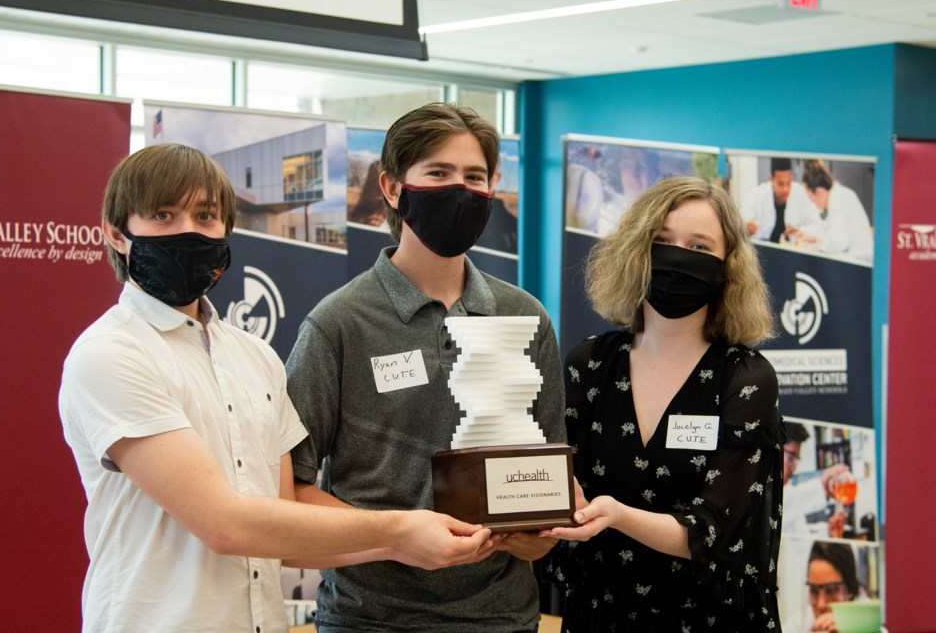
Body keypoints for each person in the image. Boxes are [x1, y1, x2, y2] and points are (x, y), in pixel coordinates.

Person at [58, 143, 495, 633]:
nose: (188, 230)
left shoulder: (255, 356)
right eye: (163, 215)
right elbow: (224, 524)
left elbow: (287, 531)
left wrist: (429, 542)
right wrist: (400, 531)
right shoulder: (112, 354)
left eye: (205, 216)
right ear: (117, 234)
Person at [285, 103, 566, 632]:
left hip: (502, 619)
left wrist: (536, 530)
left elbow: (546, 491)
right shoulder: (338, 323)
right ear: (392, 188)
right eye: (438, 173)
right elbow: (291, 491)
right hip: (371, 621)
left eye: (474, 176)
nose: (459, 189)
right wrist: (397, 534)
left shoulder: (526, 317)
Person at [541, 176, 785, 630]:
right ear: (635, 249)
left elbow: (711, 533)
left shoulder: (747, 379)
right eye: (662, 241)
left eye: (699, 246)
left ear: (728, 266)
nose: (678, 256)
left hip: (707, 619)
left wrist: (615, 514)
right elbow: (557, 483)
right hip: (601, 611)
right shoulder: (590, 363)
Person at [799, 160, 874, 263]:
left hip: (859, 260)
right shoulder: (839, 194)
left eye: (811, 198)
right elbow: (830, 231)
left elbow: (838, 242)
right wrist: (814, 237)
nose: (812, 203)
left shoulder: (838, 199)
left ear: (819, 192)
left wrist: (818, 244)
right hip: (856, 258)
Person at [741, 157, 823, 244]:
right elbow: (743, 221)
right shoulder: (757, 195)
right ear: (771, 179)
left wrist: (799, 231)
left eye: (788, 183)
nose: (785, 189)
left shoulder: (801, 194)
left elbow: (817, 225)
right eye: (781, 184)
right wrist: (748, 229)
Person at [806, 541, 859, 633]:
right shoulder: (795, 627)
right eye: (813, 590)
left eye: (830, 590)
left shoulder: (869, 626)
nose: (821, 604)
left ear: (850, 589)